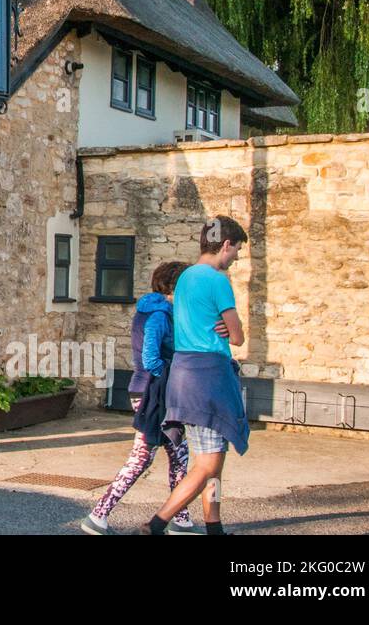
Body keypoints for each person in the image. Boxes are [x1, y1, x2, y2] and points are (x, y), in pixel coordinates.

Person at [134, 215, 251, 536]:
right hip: (209, 377)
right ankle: (156, 524)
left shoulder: (185, 278)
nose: (237, 257)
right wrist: (229, 328)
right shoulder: (217, 280)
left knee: (214, 460)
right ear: (225, 245)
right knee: (207, 465)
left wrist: (221, 325)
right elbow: (238, 336)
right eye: (237, 250)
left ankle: (214, 527)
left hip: (183, 375)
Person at [81, 261, 195, 535]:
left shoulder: (159, 311)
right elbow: (150, 358)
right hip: (152, 392)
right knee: (143, 457)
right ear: (174, 287)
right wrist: (171, 375)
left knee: (178, 454)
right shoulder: (158, 315)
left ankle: (181, 520)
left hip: (152, 390)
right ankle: (97, 516)